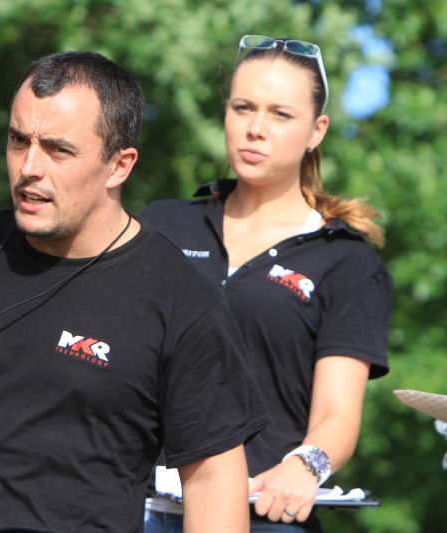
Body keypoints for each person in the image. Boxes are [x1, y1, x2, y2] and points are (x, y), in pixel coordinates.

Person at [0, 50, 270, 532]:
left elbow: (213, 481)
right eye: (18, 140)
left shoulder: (182, 300)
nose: (29, 167)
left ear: (119, 165)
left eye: (58, 150)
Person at [141, 35, 393, 532]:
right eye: (243, 107)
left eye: (280, 114)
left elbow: (337, 415)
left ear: (316, 130)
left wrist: (306, 466)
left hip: (263, 516)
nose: (255, 128)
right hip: (137, 511)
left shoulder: (346, 259)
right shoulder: (161, 225)